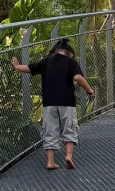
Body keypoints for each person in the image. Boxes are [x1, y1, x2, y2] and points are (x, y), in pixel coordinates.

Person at [12, 37, 95, 171]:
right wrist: (89, 89)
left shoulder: (46, 61)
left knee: (50, 130)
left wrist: (16, 66)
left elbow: (28, 68)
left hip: (49, 103)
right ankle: (68, 156)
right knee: (69, 129)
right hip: (67, 102)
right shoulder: (71, 62)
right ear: (70, 53)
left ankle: (50, 162)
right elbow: (78, 77)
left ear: (55, 51)